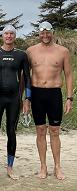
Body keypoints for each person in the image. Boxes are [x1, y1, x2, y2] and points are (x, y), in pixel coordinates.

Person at [26, 21, 73, 180]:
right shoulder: (31, 51)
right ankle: (43, 166)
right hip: (37, 94)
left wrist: (69, 98)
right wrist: (26, 99)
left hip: (54, 94)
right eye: (42, 32)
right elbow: (26, 77)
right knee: (40, 130)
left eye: (48, 32)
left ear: (52, 32)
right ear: (38, 34)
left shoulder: (63, 51)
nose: (45, 35)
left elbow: (68, 75)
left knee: (55, 131)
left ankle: (57, 167)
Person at [0, 25, 31, 180]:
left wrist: (27, 99)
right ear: (2, 36)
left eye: (12, 33)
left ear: (15, 36)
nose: (9, 36)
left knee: (11, 132)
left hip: (14, 98)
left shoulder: (21, 55)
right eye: (6, 33)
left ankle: (10, 168)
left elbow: (28, 78)